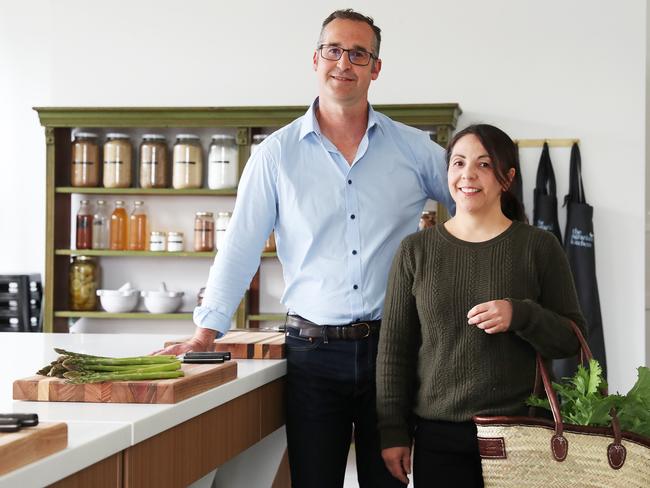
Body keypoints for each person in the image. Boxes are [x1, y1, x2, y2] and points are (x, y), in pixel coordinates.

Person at [155, 8, 453, 488]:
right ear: (315, 59)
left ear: (375, 68)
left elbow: (473, 205)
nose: (344, 62)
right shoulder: (275, 154)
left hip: (393, 351)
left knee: (391, 483)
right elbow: (240, 245)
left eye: (359, 53)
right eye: (334, 50)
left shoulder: (415, 149)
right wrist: (205, 333)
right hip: (312, 355)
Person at [376, 124, 587, 487]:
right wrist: (393, 431)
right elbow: (395, 350)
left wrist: (520, 314)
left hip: (522, 438)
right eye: (458, 163)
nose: (467, 175)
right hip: (437, 439)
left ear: (508, 178)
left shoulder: (539, 247)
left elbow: (572, 339)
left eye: (484, 165)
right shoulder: (415, 251)